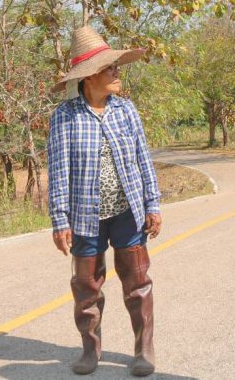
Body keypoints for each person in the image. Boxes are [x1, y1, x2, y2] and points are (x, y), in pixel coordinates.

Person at [47, 25, 162, 377]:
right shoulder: (65, 116)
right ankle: (90, 348)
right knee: (86, 288)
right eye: (110, 68)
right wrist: (60, 220)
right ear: (90, 76)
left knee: (137, 283)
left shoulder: (126, 110)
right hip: (85, 218)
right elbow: (58, 171)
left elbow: (143, 159)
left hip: (128, 212)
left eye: (115, 66)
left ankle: (143, 349)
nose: (116, 72)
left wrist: (153, 205)